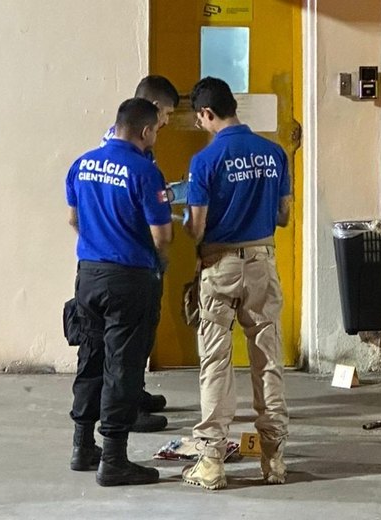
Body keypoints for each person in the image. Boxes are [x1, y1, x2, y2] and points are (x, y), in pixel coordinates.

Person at [182, 77, 291, 490]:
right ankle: (274, 459)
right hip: (263, 262)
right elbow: (282, 216)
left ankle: (211, 462)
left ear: (207, 114)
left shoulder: (205, 162)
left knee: (216, 360)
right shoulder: (274, 153)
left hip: (220, 264)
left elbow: (197, 228)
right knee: (267, 357)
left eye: (200, 118)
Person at [66, 98, 172, 486]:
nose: (155, 137)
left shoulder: (82, 163)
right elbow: (162, 236)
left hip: (88, 276)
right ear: (145, 131)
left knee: (91, 357)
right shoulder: (144, 172)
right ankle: (114, 459)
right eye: (156, 130)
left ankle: (82, 447)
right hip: (129, 278)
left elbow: (73, 219)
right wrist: (157, 265)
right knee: (122, 366)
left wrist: (98, 244)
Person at [101, 75, 180, 433]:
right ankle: (124, 407)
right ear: (153, 109)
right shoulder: (126, 150)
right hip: (128, 259)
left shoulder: (136, 145)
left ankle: (134, 392)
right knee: (126, 339)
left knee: (141, 332)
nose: (166, 123)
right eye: (166, 115)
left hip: (128, 256)